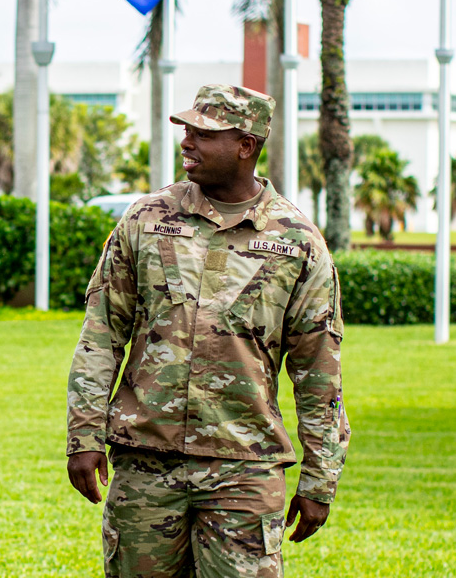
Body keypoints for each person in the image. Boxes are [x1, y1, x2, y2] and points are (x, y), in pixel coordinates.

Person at [64, 84, 349, 578]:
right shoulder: (147, 219)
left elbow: (318, 368)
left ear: (246, 145)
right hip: (145, 462)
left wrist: (320, 478)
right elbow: (101, 332)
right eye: (187, 131)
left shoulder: (297, 241)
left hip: (244, 468)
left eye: (204, 134)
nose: (187, 143)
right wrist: (83, 435)